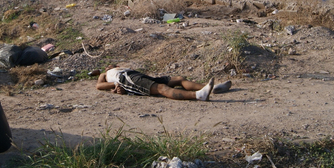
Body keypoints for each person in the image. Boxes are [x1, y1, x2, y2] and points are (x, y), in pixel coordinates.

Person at [96, 65, 232, 101]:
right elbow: (99, 86)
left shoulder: (121, 67)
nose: (110, 66)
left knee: (178, 79)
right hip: (126, 79)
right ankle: (198, 95)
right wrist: (114, 86)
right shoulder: (106, 74)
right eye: (108, 66)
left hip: (136, 76)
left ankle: (212, 89)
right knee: (161, 88)